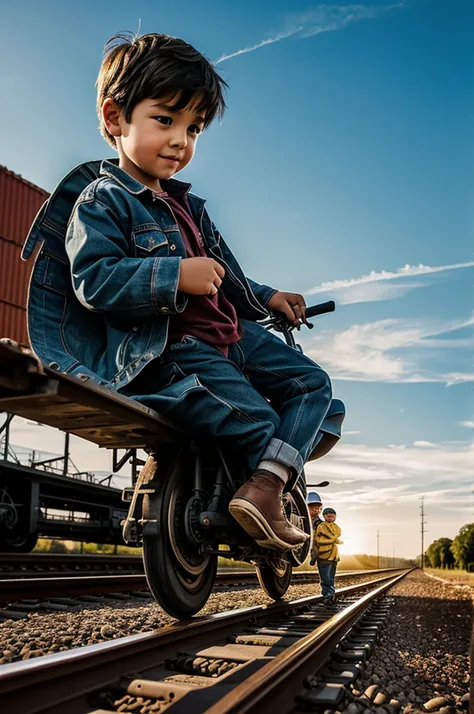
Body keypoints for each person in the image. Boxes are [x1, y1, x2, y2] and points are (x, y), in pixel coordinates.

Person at [53, 32, 335, 553]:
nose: (181, 140)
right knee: (263, 422)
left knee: (314, 385)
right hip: (173, 350)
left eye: (194, 128)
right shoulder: (104, 200)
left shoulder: (190, 206)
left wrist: (269, 297)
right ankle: (267, 487)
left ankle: (261, 477)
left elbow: (227, 273)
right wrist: (173, 275)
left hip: (231, 338)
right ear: (116, 120)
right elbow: (93, 279)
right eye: (166, 120)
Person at [314, 507, 343, 605]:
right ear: (324, 516)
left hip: (334, 556)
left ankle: (330, 594)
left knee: (331, 577)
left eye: (333, 516)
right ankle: (327, 594)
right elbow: (318, 540)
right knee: (325, 577)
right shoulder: (321, 526)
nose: (331, 518)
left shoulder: (335, 527)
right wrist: (333, 540)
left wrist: (336, 540)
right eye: (328, 516)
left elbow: (338, 535)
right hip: (324, 555)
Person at [307, 492, 324, 566]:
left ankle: (314, 557)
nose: (316, 510)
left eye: (318, 508)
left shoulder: (321, 524)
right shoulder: (300, 520)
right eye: (313, 507)